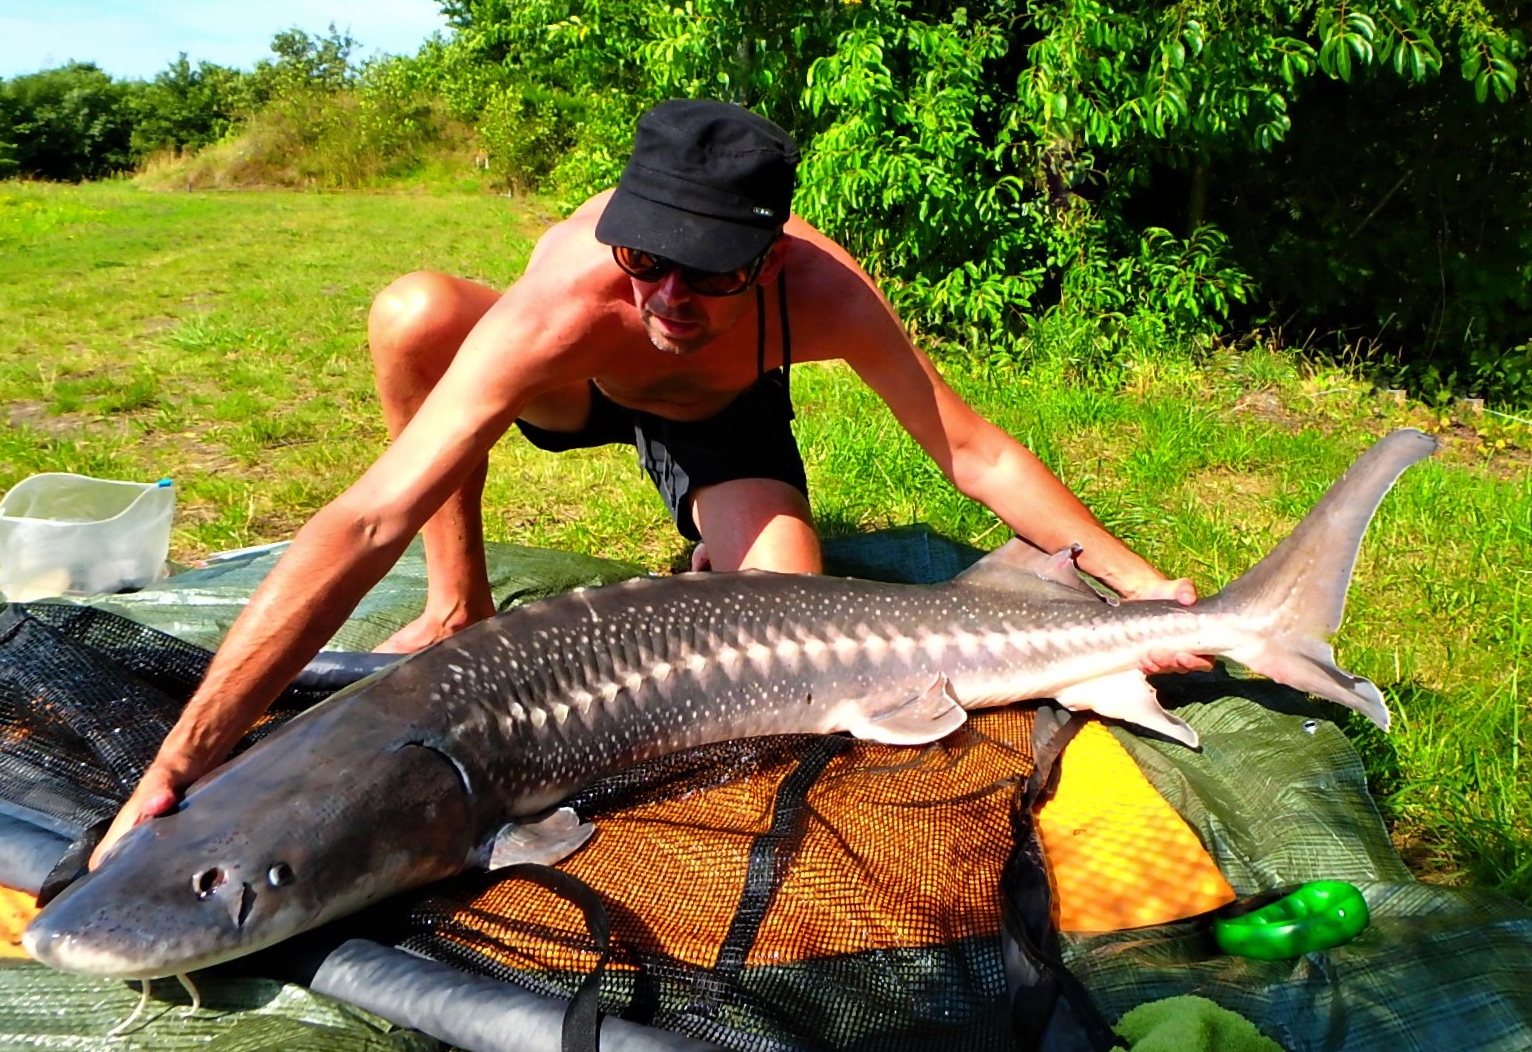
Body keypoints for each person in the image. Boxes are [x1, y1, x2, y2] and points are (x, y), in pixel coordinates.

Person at [92, 99, 1201, 866]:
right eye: (646, 257)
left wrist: (1141, 585)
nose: (667, 295)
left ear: (767, 258)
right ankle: (456, 599)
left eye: (706, 271)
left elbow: (974, 451)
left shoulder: (823, 292)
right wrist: (185, 755)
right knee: (416, 311)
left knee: (787, 627)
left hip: (718, 416)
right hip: (577, 385)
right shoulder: (576, 291)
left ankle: (711, 553)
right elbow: (370, 511)